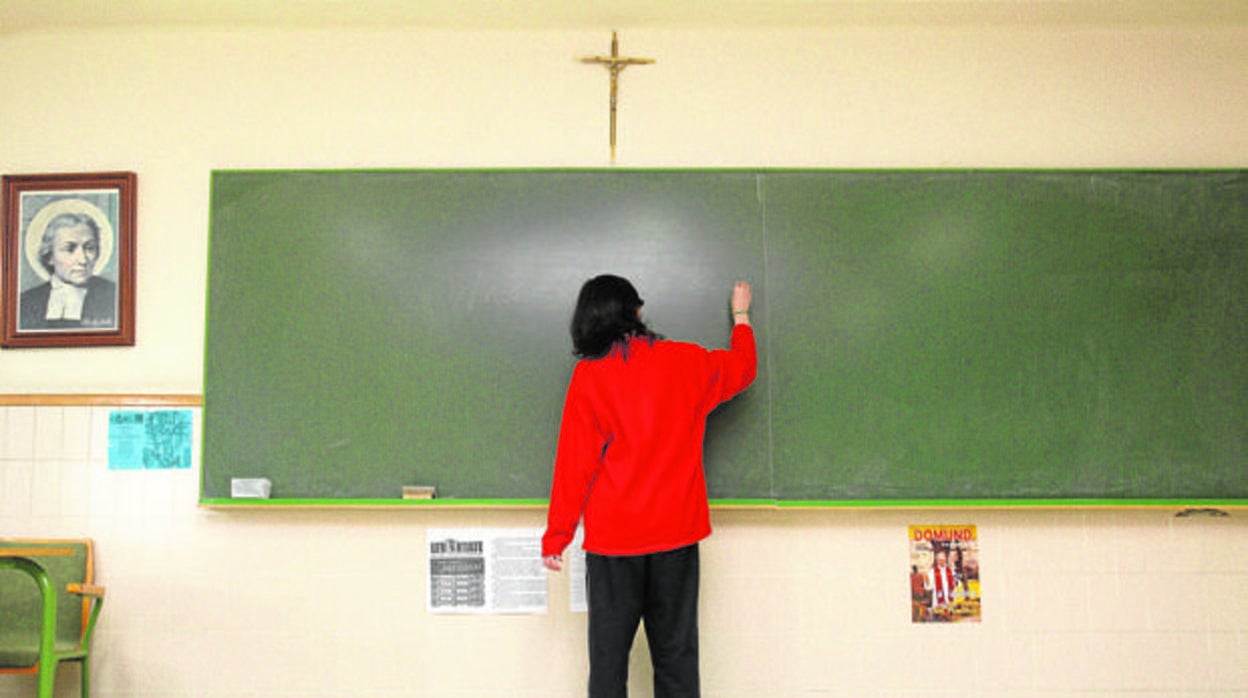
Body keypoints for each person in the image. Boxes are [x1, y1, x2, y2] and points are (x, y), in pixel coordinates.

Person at [542, 274, 757, 698]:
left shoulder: (590, 377)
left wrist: (558, 535)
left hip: (613, 545)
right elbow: (744, 369)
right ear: (637, 312)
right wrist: (742, 315)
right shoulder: (688, 362)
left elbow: (574, 463)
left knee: (608, 663)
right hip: (676, 538)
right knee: (676, 658)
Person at [18, 212, 117, 331]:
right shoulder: (26, 302)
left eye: (90, 248)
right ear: (50, 256)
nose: (83, 259)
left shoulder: (113, 295)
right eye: (69, 249)